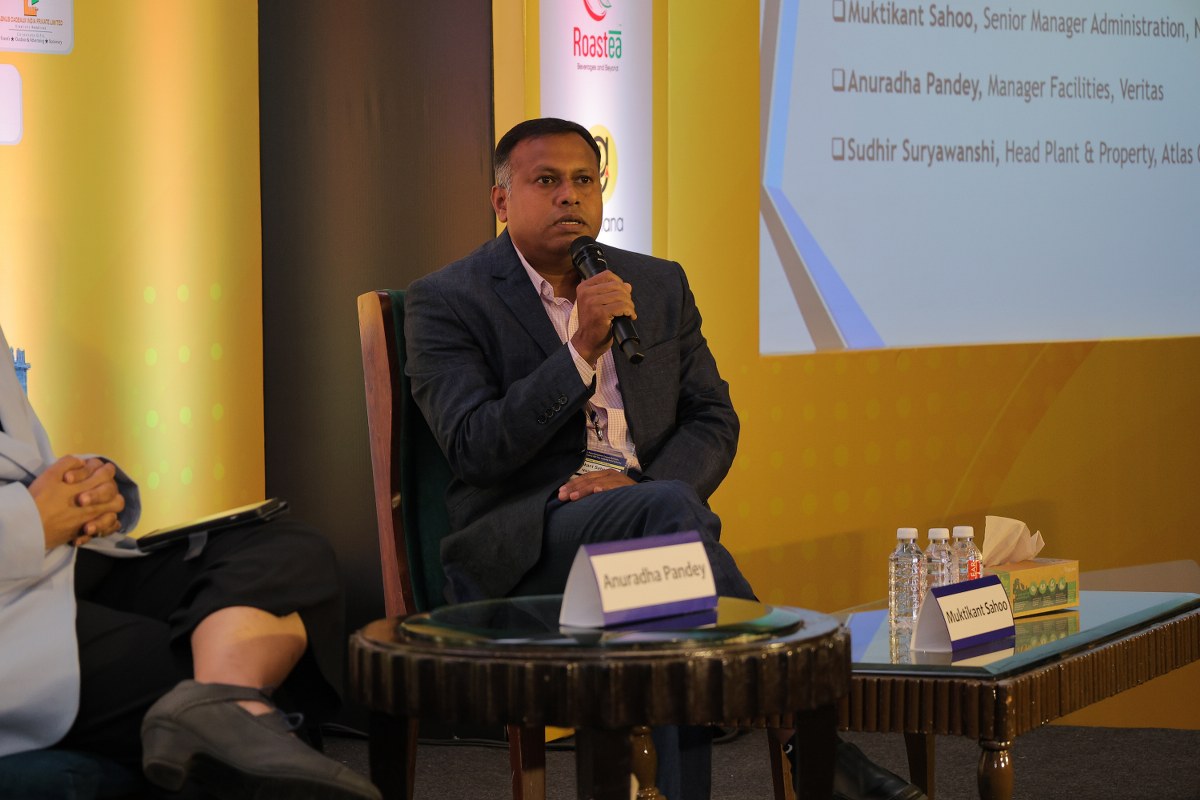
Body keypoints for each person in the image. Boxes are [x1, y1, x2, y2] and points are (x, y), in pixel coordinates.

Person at [404, 118, 926, 800]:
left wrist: (639, 485)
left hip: (647, 518)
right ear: (501, 201)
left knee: (668, 580)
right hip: (526, 543)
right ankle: (807, 732)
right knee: (670, 526)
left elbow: (713, 416)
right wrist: (579, 353)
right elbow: (475, 446)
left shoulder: (654, 284)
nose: (570, 195)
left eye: (584, 180)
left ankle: (785, 740)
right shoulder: (447, 299)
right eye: (547, 181)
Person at [0, 324, 379, 800]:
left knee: (287, 549)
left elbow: (17, 458)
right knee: (235, 689)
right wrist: (30, 519)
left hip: (59, 560)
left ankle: (221, 708)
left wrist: (86, 490)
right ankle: (232, 720)